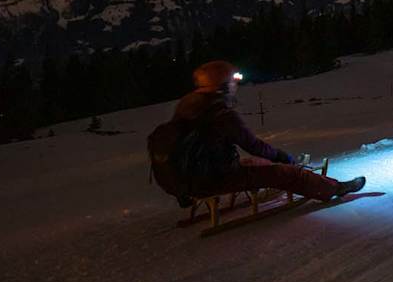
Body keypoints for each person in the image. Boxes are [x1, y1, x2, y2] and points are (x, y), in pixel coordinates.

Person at [153, 60, 365, 204]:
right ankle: (333, 189)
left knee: (256, 164)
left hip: (188, 180)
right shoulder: (219, 113)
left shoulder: (186, 106)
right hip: (213, 179)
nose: (236, 86)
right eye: (233, 82)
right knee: (285, 174)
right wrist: (282, 157)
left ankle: (191, 193)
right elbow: (253, 145)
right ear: (223, 86)